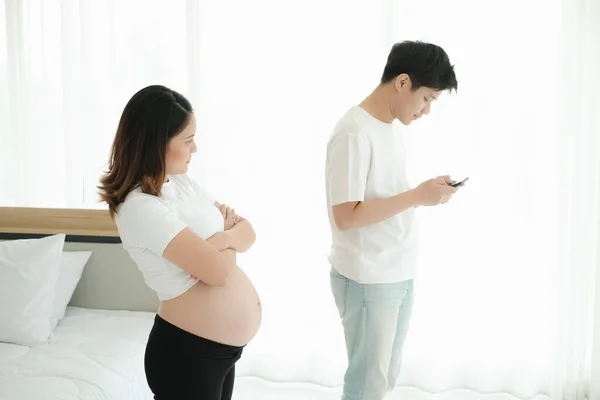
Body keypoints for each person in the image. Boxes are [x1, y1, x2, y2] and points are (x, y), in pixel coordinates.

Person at [98, 85, 262, 400]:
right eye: (188, 141)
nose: (195, 149)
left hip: (217, 351)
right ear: (156, 144)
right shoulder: (140, 206)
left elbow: (249, 232)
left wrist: (221, 239)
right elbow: (218, 273)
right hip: (187, 355)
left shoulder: (181, 183)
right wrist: (226, 241)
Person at [325, 40, 459, 400]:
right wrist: (417, 196)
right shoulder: (354, 132)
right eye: (427, 98)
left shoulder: (389, 128)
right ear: (402, 83)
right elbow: (346, 217)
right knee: (367, 384)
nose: (427, 110)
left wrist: (424, 192)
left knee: (382, 380)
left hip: (396, 271)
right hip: (368, 277)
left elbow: (384, 199)